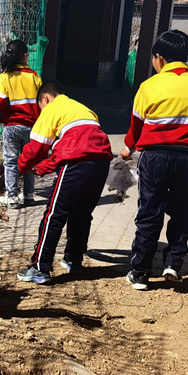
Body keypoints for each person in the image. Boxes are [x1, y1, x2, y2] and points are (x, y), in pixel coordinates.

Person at [122, 29, 188, 290]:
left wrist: (128, 148)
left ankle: (140, 272)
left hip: (156, 157)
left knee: (150, 212)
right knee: (182, 211)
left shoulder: (150, 86)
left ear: (159, 58)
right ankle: (173, 263)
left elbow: (136, 126)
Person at [15, 80, 114, 284]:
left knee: (54, 215)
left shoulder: (53, 108)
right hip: (101, 162)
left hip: (76, 162)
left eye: (41, 106)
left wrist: (21, 167)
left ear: (45, 98)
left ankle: (40, 267)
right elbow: (73, 145)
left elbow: (37, 148)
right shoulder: (84, 110)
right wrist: (42, 168)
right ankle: (73, 261)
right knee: (81, 213)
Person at [0, 39, 42, 209]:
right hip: (32, 128)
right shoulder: (34, 77)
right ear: (25, 56)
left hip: (11, 127)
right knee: (29, 161)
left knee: (11, 162)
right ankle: (29, 195)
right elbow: (42, 102)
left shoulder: (4, 77)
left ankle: (11, 197)